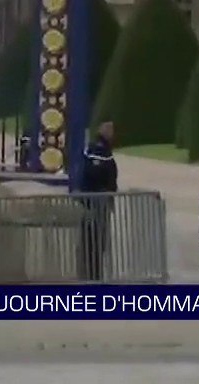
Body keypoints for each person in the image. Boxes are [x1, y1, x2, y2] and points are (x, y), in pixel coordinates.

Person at [79, 120, 118, 280]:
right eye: (110, 130)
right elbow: (105, 175)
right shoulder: (101, 153)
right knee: (95, 241)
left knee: (91, 241)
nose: (113, 133)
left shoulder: (94, 149)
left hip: (90, 200)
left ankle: (91, 274)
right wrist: (107, 193)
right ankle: (94, 276)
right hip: (96, 201)